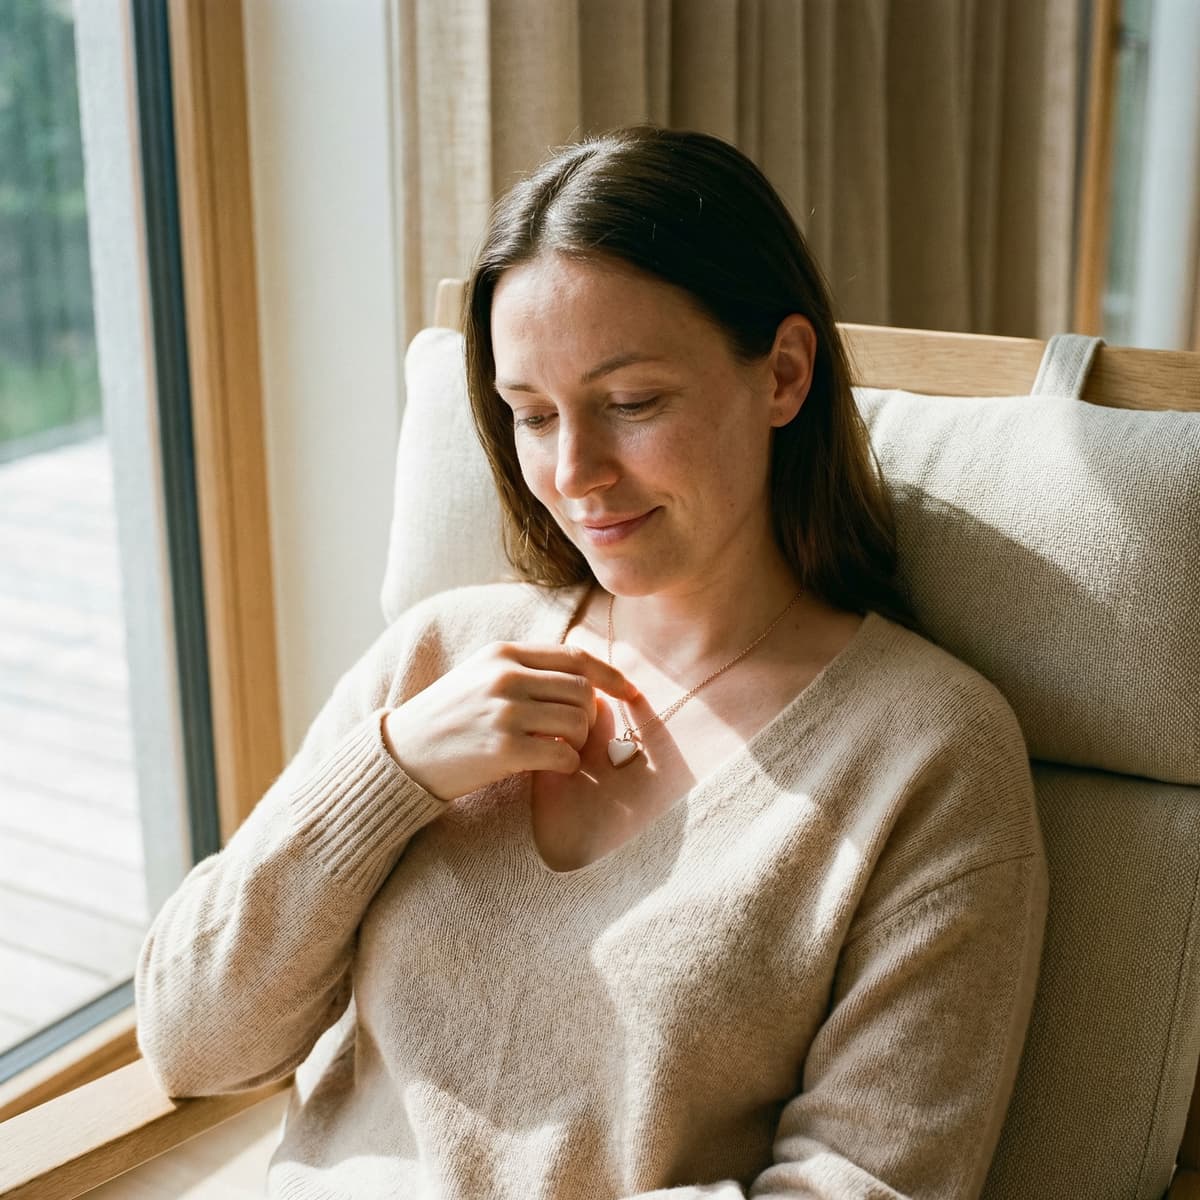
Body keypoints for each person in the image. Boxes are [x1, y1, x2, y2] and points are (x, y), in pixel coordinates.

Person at [135, 125, 1048, 1199]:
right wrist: (393, 771)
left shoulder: (925, 754)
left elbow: (865, 1183)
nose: (575, 475)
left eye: (632, 404)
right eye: (530, 416)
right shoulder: (438, 656)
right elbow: (192, 1038)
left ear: (785, 375)